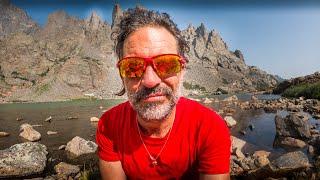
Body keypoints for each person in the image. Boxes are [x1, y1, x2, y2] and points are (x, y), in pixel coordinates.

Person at [96, 7, 231, 180]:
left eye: (167, 64)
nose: (150, 80)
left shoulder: (211, 127)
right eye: (132, 67)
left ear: (182, 71)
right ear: (122, 76)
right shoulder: (108, 125)